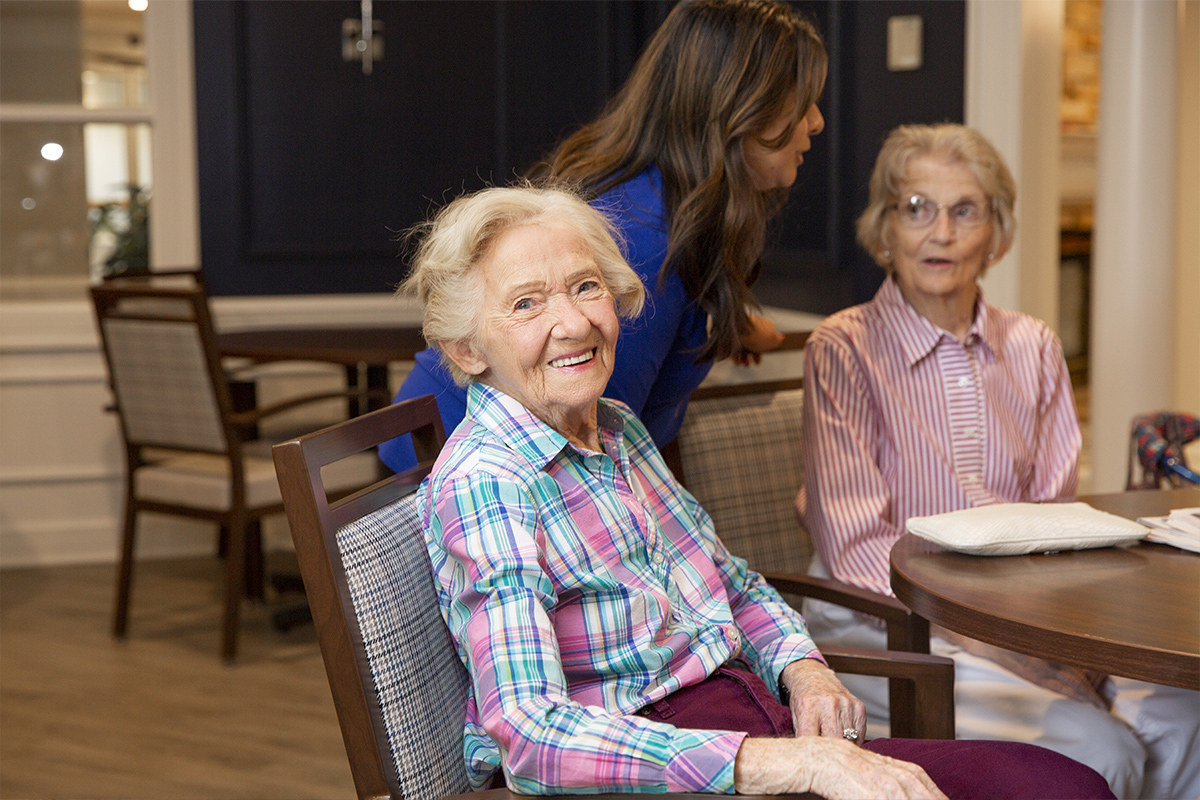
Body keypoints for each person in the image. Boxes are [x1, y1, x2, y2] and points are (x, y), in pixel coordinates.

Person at [407, 183, 1114, 798]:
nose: (574, 322)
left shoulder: (616, 429)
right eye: (528, 303)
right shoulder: (489, 483)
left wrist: (805, 670)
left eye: (587, 286)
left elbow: (733, 584)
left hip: (753, 723)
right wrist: (783, 764)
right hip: (662, 776)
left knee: (1062, 783)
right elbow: (533, 738)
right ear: (468, 350)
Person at [797, 123, 1200, 800]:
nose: (941, 233)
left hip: (1027, 614)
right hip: (891, 620)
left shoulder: (1034, 345)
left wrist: (1059, 641)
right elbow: (857, 549)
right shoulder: (843, 348)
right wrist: (1022, 650)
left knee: (1186, 714)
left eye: (966, 211)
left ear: (996, 234)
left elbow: (1055, 524)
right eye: (916, 208)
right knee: (1103, 751)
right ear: (884, 230)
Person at [379, 0, 825, 472]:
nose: (815, 121)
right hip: (459, 482)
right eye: (799, 103)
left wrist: (737, 326)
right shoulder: (644, 241)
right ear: (737, 108)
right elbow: (584, 441)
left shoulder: (663, 204)